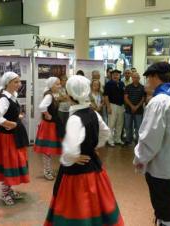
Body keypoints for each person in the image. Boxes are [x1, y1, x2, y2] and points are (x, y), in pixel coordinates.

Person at [44, 75, 124, 226]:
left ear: (69, 95)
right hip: (93, 166)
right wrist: (93, 147)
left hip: (77, 173)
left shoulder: (75, 119)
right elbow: (106, 132)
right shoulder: (93, 112)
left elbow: (70, 150)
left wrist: (71, 159)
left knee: (77, 208)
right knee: (95, 205)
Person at [134, 62, 170, 226]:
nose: (148, 82)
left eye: (148, 78)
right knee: (167, 197)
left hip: (160, 162)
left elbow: (150, 136)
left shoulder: (159, 102)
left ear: (154, 77)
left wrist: (140, 158)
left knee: (163, 202)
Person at [0, 72, 30, 206]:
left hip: (13, 135)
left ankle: (9, 190)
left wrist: (17, 117)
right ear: (7, 83)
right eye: (16, 82)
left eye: (19, 82)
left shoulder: (12, 96)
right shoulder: (4, 99)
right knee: (8, 163)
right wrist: (11, 123)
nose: (19, 84)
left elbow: (7, 113)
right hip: (7, 137)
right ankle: (5, 193)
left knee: (13, 162)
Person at [34, 77, 63, 180]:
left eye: (59, 84)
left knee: (49, 150)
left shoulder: (52, 94)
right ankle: (47, 171)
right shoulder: (49, 96)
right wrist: (47, 114)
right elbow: (42, 106)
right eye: (57, 84)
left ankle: (48, 170)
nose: (59, 86)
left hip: (52, 125)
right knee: (47, 150)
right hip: (48, 126)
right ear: (51, 85)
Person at [104, 69, 125, 147]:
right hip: (112, 105)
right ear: (111, 75)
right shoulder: (108, 84)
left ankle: (118, 139)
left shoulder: (122, 84)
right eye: (114, 74)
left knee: (120, 124)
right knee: (111, 124)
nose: (116, 76)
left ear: (119, 76)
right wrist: (108, 107)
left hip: (121, 106)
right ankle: (110, 140)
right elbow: (106, 96)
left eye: (117, 74)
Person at [124, 72, 145, 145]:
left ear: (139, 78)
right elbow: (126, 98)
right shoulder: (128, 87)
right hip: (128, 110)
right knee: (127, 126)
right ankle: (128, 140)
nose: (135, 79)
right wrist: (132, 106)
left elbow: (143, 98)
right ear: (132, 78)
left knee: (138, 126)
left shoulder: (142, 87)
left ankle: (138, 140)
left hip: (139, 111)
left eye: (137, 77)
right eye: (134, 77)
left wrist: (137, 106)